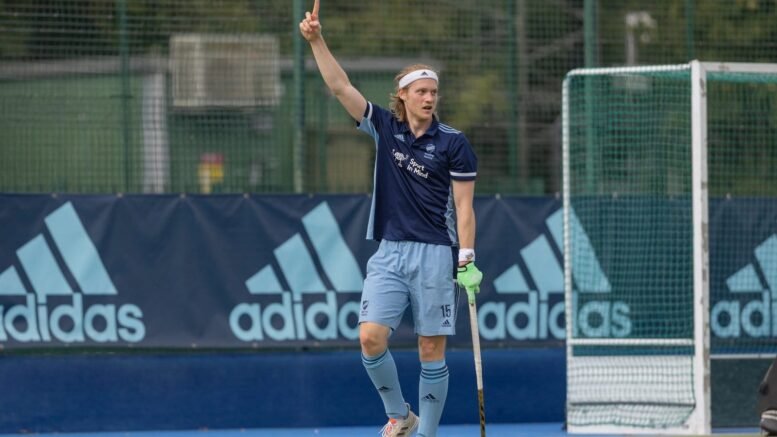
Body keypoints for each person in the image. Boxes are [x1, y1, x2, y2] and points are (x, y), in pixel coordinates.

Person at [300, 4, 483, 437]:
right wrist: (316, 40)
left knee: (430, 347)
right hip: (390, 251)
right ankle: (401, 416)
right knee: (370, 337)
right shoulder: (384, 127)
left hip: (436, 253)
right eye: (420, 91)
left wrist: (467, 256)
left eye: (433, 92)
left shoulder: (454, 143)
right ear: (402, 95)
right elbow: (340, 86)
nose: (429, 98)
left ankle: (427, 434)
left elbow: (464, 207)